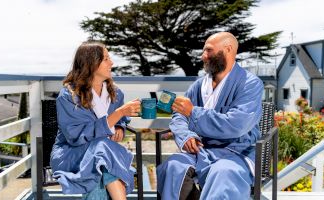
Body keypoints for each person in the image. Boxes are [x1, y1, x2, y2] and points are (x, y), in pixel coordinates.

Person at [157, 32, 264, 200]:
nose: (203, 56)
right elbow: (179, 116)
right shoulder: (199, 85)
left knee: (223, 173)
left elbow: (237, 124)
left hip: (237, 152)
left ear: (228, 50)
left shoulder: (250, 84)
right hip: (202, 150)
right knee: (173, 166)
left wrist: (193, 112)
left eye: (208, 51)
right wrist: (185, 136)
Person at [50, 42, 141, 200]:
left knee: (101, 161)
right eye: (106, 59)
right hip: (72, 153)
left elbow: (121, 121)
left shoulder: (115, 93)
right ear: (91, 63)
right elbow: (75, 136)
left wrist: (120, 126)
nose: (111, 63)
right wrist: (119, 114)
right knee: (101, 150)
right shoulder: (69, 96)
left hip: (104, 154)